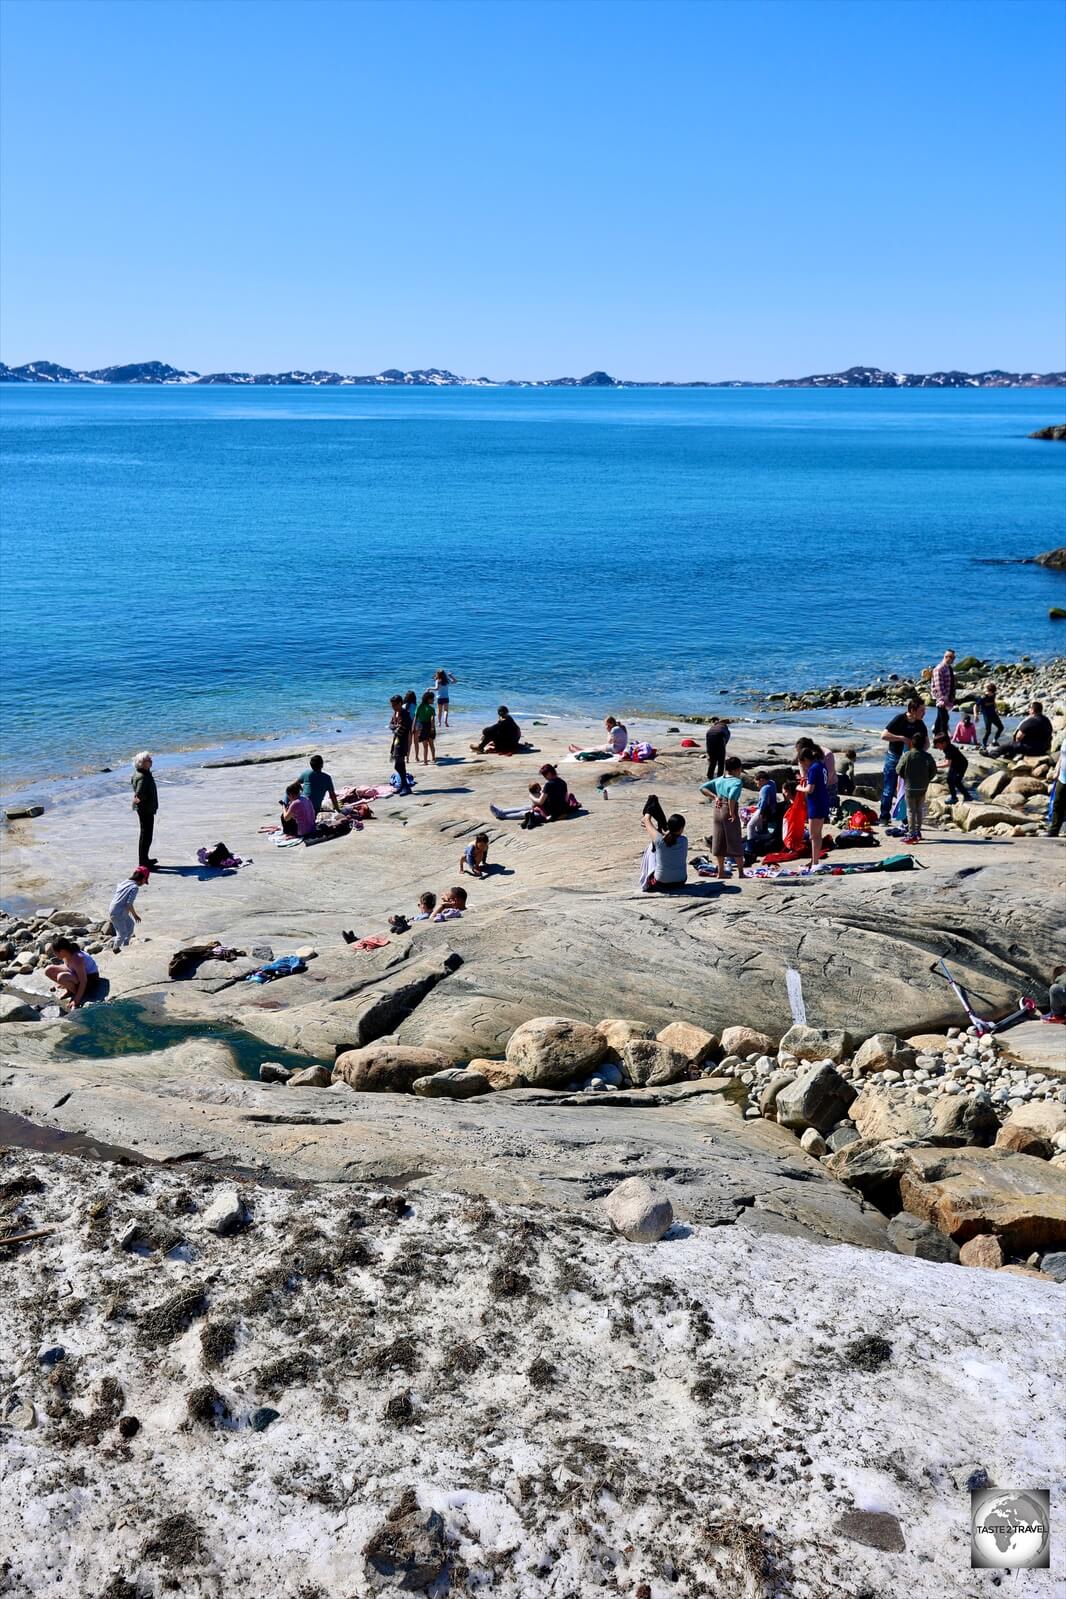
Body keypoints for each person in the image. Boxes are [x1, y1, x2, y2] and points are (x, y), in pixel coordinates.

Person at [879, 698, 927, 824]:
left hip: (909, 761)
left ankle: (905, 818)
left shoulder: (920, 724)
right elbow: (883, 735)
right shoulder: (899, 719)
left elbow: (926, 743)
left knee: (907, 789)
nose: (924, 713)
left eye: (924, 710)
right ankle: (884, 816)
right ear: (912, 710)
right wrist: (901, 738)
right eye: (922, 710)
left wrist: (918, 753)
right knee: (889, 788)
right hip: (894, 757)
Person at [702, 755, 748, 880]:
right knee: (735, 840)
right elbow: (732, 797)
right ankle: (741, 873)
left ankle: (720, 872)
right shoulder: (737, 782)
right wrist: (732, 812)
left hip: (717, 811)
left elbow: (702, 788)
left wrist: (715, 797)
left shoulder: (719, 779)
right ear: (736, 769)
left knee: (719, 841)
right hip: (728, 810)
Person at [491, 763, 570, 825]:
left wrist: (531, 797)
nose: (544, 777)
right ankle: (501, 811)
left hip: (548, 813)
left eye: (544, 775)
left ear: (549, 773)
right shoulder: (563, 782)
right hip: (560, 811)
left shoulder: (548, 784)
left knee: (525, 813)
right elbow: (566, 799)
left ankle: (501, 815)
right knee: (527, 807)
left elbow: (540, 802)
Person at [896, 727, 938, 843]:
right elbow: (934, 770)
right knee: (919, 810)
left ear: (911, 743)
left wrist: (906, 776)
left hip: (910, 786)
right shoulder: (927, 756)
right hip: (922, 787)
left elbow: (898, 769)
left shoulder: (907, 755)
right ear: (923, 744)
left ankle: (911, 833)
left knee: (910, 810)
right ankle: (918, 831)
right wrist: (927, 779)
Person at [639, 798, 688, 891]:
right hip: (681, 881)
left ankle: (645, 882)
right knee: (656, 846)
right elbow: (669, 836)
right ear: (682, 828)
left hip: (661, 883)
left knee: (651, 848)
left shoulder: (659, 841)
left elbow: (646, 819)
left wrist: (648, 812)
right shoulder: (684, 840)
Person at [797, 745, 831, 867]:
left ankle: (815, 861)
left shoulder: (813, 768)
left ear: (806, 759)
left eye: (803, 763)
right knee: (818, 833)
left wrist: (799, 787)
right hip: (823, 800)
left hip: (815, 802)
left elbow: (810, 789)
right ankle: (814, 859)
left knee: (813, 834)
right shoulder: (821, 765)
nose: (804, 766)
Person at [44, 936, 100, 1008]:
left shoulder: (77, 958)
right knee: (48, 970)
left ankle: (77, 993)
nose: (55, 955)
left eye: (56, 953)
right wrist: (60, 982)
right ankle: (70, 990)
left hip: (90, 979)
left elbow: (83, 981)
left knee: (61, 977)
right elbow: (68, 967)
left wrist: (76, 1000)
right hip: (77, 973)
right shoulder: (67, 954)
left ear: (62, 951)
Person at [108, 866, 149, 951]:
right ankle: (115, 950)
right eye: (145, 880)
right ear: (143, 878)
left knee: (130, 926)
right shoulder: (134, 887)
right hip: (118, 913)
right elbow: (129, 904)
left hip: (118, 910)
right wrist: (135, 915)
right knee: (122, 934)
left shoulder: (125, 882)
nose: (144, 883)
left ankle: (125, 947)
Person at [131, 751, 159, 869]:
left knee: (146, 834)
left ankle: (144, 859)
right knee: (146, 835)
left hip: (145, 808)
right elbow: (139, 794)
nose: (151, 761)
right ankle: (143, 862)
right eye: (149, 760)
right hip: (145, 809)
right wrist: (141, 798)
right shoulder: (142, 776)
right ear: (142, 763)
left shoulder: (143, 773)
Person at [743, 770, 779, 850]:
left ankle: (749, 847)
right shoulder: (772, 783)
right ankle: (757, 840)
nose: (757, 785)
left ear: (762, 780)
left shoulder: (765, 788)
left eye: (757, 783)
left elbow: (764, 801)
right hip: (772, 809)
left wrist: (761, 813)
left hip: (765, 810)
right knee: (759, 827)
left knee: (750, 826)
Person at [934, 732, 971, 805]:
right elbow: (946, 760)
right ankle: (967, 796)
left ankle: (954, 798)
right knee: (955, 781)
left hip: (961, 765)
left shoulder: (949, 749)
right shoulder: (946, 748)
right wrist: (936, 763)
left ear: (944, 743)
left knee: (952, 780)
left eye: (937, 745)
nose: (937, 747)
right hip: (955, 764)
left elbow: (947, 764)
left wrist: (936, 766)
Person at [929, 648, 956, 741]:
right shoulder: (939, 669)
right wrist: (943, 699)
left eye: (954, 657)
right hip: (942, 699)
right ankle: (943, 740)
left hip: (947, 697)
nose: (953, 659)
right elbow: (938, 686)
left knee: (940, 719)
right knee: (944, 719)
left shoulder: (948, 668)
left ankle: (936, 735)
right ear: (946, 657)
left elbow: (951, 683)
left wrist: (951, 697)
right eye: (952, 657)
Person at [390, 695, 414, 794]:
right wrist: (394, 727)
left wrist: (394, 727)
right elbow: (391, 725)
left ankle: (405, 786)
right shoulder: (396, 713)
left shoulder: (405, 714)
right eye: (392, 705)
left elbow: (401, 730)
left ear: (400, 703)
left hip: (403, 741)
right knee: (397, 764)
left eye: (395, 705)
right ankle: (403, 785)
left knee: (400, 764)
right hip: (396, 741)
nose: (393, 707)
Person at [780, 777, 807, 853]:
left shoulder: (796, 805)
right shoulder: (795, 804)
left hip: (792, 835)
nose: (783, 793)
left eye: (785, 791)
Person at [977, 682, 1004, 752]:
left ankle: (994, 740)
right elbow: (975, 706)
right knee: (988, 731)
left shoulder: (993, 694)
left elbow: (993, 701)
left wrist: (996, 708)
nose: (992, 694)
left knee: (1001, 727)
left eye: (993, 693)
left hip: (993, 714)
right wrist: (975, 715)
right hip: (987, 716)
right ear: (988, 691)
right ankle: (983, 744)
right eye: (991, 692)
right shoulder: (982, 698)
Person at [414, 690, 437, 766]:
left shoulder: (419, 706)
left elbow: (415, 717)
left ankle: (425, 762)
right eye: (432, 699)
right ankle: (433, 758)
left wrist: (413, 726)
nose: (433, 700)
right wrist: (432, 728)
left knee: (425, 745)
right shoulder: (431, 709)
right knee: (431, 743)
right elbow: (432, 719)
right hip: (429, 726)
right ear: (428, 699)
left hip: (422, 726)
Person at [1048, 743, 1066, 838]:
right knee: (1057, 803)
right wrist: (1057, 771)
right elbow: (1062, 756)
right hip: (1062, 778)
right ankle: (1054, 830)